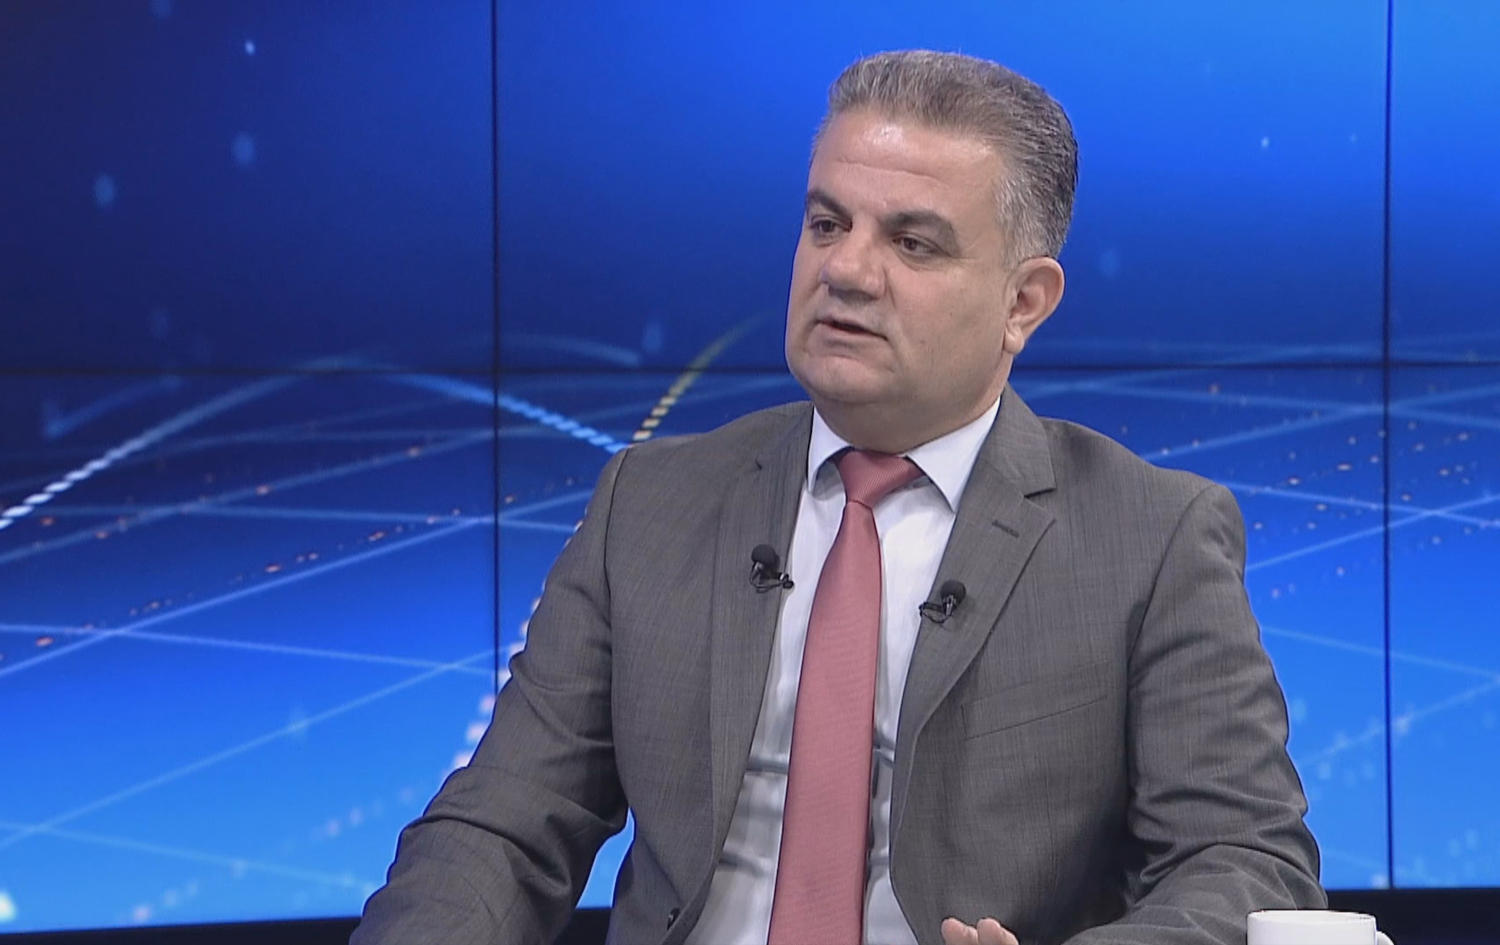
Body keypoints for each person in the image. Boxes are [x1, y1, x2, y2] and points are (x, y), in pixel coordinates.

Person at [353, 50, 1324, 945]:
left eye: (914, 242)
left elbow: (1247, 864)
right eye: (827, 224)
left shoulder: (1149, 538)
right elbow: (501, 827)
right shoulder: (648, 502)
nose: (846, 270)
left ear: (1023, 302)